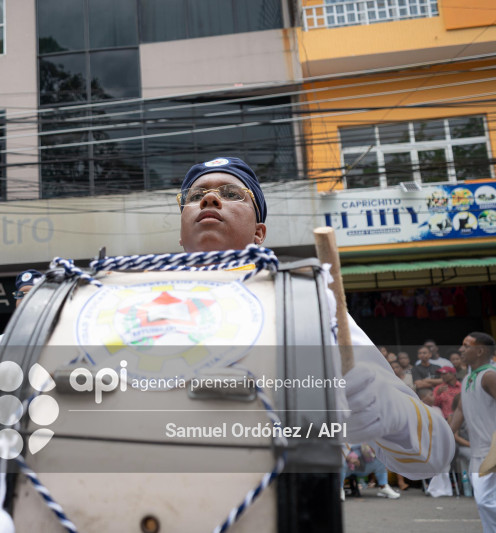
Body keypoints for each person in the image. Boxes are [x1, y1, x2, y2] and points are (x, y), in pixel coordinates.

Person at [177, 156, 454, 477]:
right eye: (196, 196)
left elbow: (435, 455)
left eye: (232, 193)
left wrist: (388, 410)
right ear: (182, 235)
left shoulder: (302, 303)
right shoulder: (131, 309)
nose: (210, 199)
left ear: (258, 232)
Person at [450, 332, 496, 529]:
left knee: (486, 500)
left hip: (491, 450)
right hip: (478, 451)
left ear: (479, 351)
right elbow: (461, 408)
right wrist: (447, 434)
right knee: (482, 500)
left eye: (466, 345)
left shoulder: (490, 376)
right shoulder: (470, 376)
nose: (461, 350)